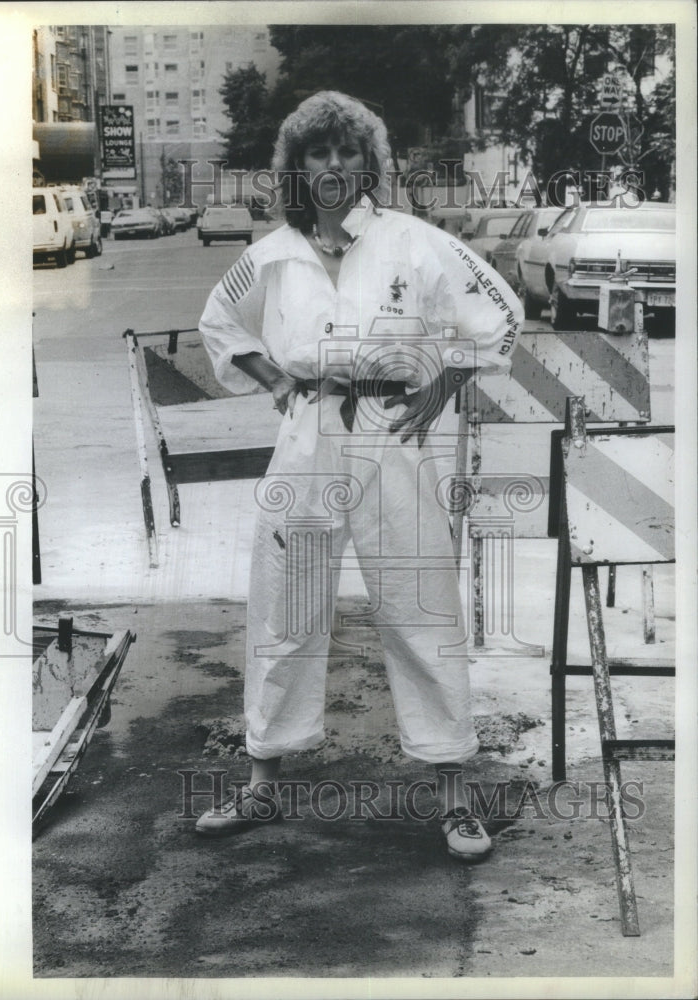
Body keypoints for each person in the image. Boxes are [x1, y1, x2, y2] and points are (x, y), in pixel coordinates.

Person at [195, 92, 523, 861]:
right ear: (299, 167)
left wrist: (441, 384)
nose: (335, 166)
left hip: (393, 437)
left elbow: (500, 316)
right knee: (286, 603)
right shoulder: (273, 254)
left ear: (368, 163)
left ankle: (453, 798)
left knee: (418, 603)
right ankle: (261, 782)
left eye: (348, 152)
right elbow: (218, 322)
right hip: (307, 438)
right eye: (319, 153)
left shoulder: (414, 244)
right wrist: (276, 381)